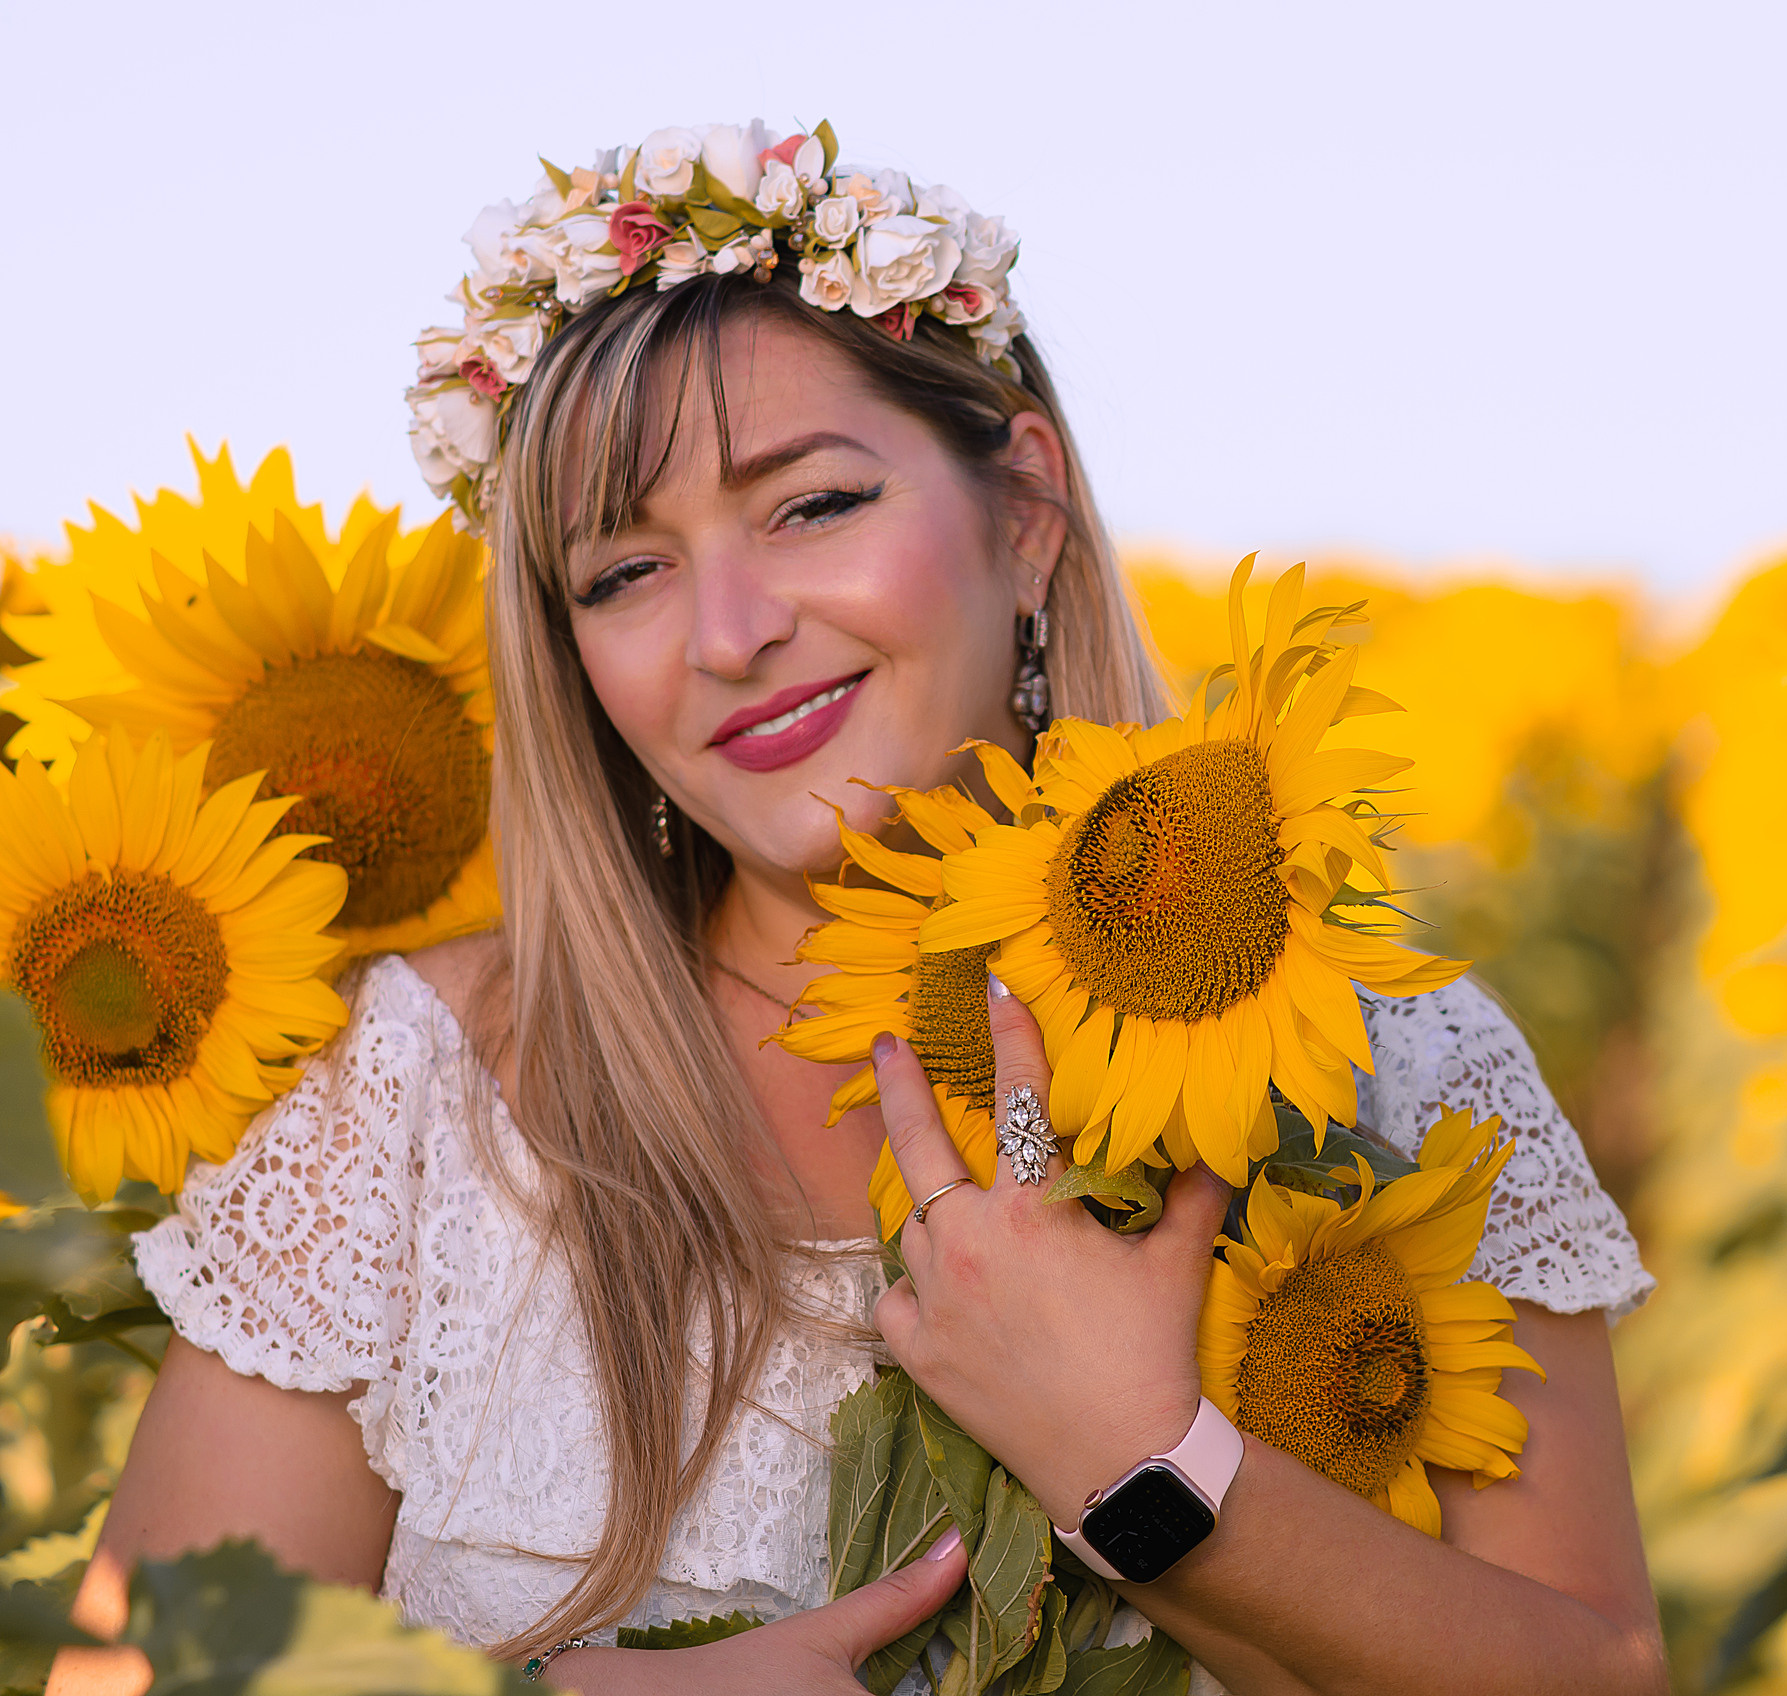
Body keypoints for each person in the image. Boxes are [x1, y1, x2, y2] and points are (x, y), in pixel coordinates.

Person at [51, 126, 1666, 1696]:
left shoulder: (1390, 1058)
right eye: (625, 573)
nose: (731, 633)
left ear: (1023, 516)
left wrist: (1136, 1457)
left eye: (812, 505)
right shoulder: (410, 1102)